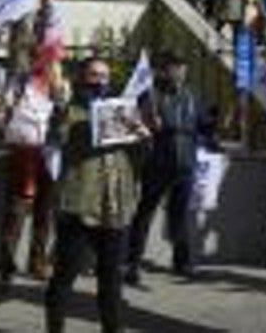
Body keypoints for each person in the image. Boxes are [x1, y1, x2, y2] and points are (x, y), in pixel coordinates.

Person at [45, 57, 149, 333]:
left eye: (104, 75)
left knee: (111, 279)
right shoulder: (70, 110)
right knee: (64, 276)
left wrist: (143, 137)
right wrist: (59, 109)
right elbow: (57, 136)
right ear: (82, 77)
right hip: (79, 206)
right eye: (94, 75)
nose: (100, 81)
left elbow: (139, 158)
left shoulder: (122, 111)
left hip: (116, 206)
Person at [124, 51, 202, 285]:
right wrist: (149, 123)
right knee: (145, 215)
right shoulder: (150, 95)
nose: (180, 73)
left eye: (183, 69)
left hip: (185, 165)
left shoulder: (191, 95)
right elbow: (133, 123)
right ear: (163, 71)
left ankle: (182, 262)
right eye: (175, 69)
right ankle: (132, 263)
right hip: (157, 164)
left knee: (180, 216)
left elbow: (201, 124)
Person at [0, 68, 68, 285]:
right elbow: (0, 119)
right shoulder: (18, 84)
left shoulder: (60, 85)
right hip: (23, 155)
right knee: (16, 213)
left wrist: (60, 98)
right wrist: (2, 117)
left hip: (51, 157)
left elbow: (66, 118)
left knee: (44, 213)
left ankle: (37, 262)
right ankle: (6, 267)